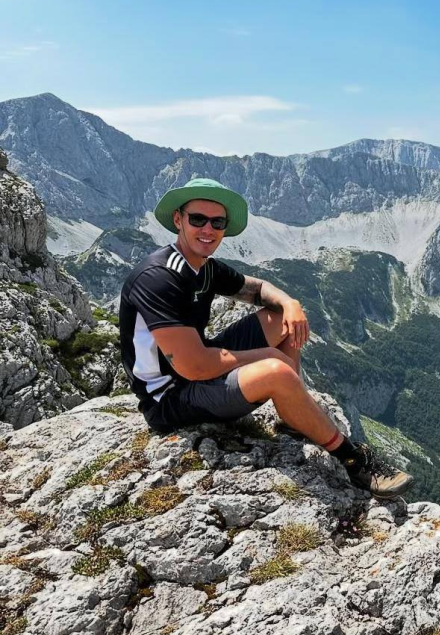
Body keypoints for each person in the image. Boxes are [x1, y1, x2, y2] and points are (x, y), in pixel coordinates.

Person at [118, 177, 412, 498]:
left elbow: (256, 289)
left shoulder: (204, 268)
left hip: (194, 371)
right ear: (178, 219)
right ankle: (352, 459)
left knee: (281, 319)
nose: (208, 229)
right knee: (277, 371)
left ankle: (292, 416)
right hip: (171, 400)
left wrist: (289, 303)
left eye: (217, 222)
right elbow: (195, 367)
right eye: (197, 219)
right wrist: (268, 358)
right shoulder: (159, 278)